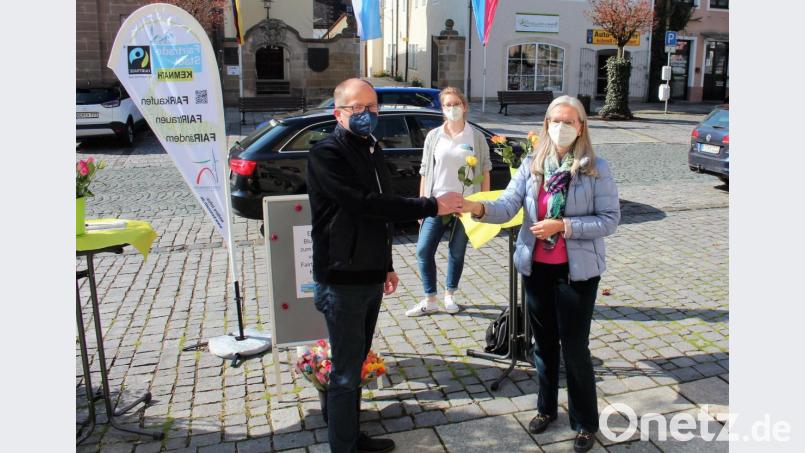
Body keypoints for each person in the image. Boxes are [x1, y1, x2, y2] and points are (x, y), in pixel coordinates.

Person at [306, 78, 464, 453]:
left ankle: (350, 435)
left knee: (356, 363)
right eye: (357, 109)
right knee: (345, 373)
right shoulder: (326, 154)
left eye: (373, 108)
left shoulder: (371, 147)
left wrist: (386, 265)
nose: (366, 115)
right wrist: (431, 205)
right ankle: (343, 446)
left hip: (368, 273)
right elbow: (364, 203)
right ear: (338, 113)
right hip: (341, 276)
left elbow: (382, 212)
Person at [461, 95, 620, 453]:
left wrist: (563, 225)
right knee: (543, 346)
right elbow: (507, 206)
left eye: (569, 121)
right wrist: (475, 206)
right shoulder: (533, 164)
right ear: (546, 124)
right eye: (555, 120)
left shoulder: (596, 168)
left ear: (581, 126)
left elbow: (610, 220)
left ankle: (585, 422)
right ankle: (546, 408)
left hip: (577, 273)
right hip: (537, 270)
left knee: (575, 349)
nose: (561, 127)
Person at [405, 87, 491, 317]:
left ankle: (450, 294)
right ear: (442, 109)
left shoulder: (476, 137)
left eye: (456, 104)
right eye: (447, 105)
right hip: (437, 202)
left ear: (464, 106)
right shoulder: (434, 136)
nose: (452, 109)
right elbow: (425, 171)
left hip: (466, 204)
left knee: (457, 251)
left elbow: (485, 170)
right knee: (424, 250)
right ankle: (429, 298)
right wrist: (423, 204)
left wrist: (483, 205)